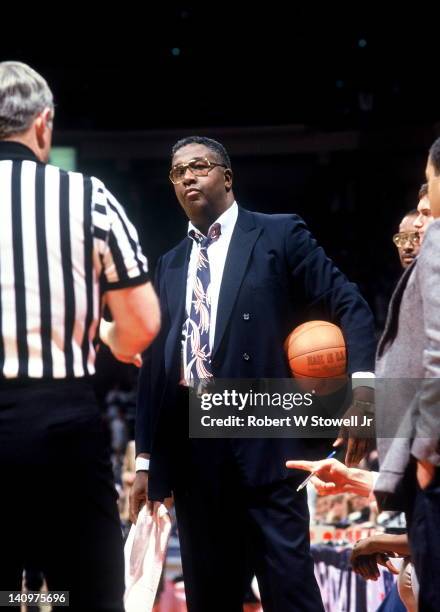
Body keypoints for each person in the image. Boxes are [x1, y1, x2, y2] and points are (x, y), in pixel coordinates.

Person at [131, 135, 376, 611]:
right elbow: (157, 371)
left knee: (291, 595)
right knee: (211, 599)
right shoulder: (169, 264)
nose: (187, 177)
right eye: (177, 172)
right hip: (195, 453)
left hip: (266, 443)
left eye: (198, 166)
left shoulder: (279, 234)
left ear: (226, 176)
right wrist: (145, 459)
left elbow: (351, 304)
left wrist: (362, 396)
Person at [0, 61, 160, 612]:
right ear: (43, 124)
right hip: (60, 426)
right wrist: (109, 337)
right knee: (85, 595)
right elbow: (141, 325)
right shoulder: (86, 195)